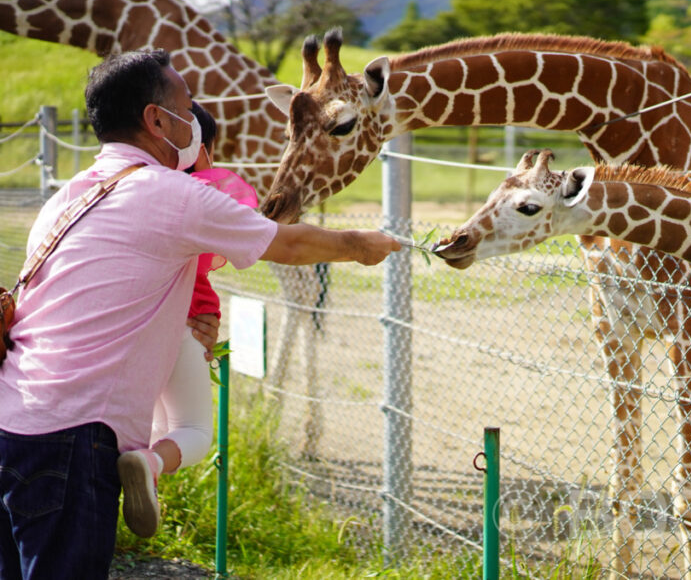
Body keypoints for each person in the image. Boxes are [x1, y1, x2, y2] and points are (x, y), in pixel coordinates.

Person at [0, 49, 401, 579]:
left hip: (11, 418)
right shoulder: (173, 194)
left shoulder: (67, 196)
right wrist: (361, 243)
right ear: (156, 119)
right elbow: (290, 244)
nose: (194, 122)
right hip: (72, 437)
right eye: (187, 108)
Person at [117, 102, 259, 539]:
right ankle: (152, 465)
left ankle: (141, 468)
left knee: (154, 425)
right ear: (201, 149)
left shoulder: (126, 192)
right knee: (193, 430)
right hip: (189, 324)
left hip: (131, 323)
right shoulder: (201, 201)